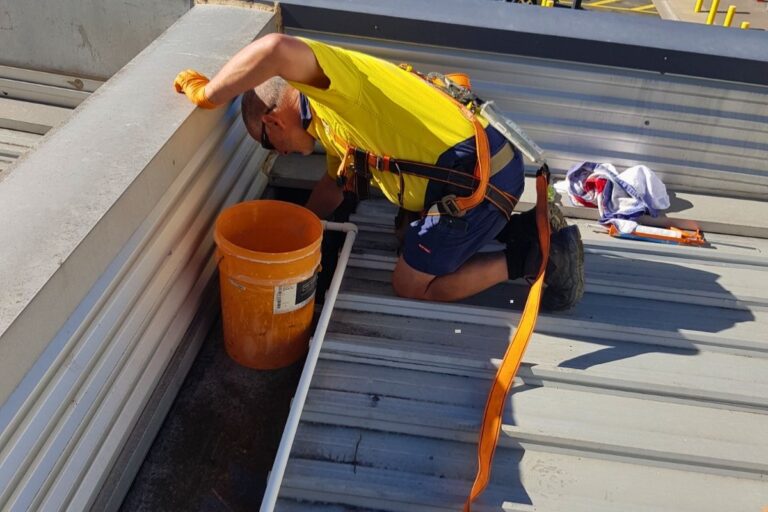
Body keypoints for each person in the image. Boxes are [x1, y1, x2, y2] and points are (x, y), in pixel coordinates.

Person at [174, 34, 584, 310]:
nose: (276, 151)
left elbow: (276, 48)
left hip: (476, 183)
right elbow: (333, 188)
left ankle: (533, 256)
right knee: (408, 238)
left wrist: (211, 95)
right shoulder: (329, 123)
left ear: (273, 122)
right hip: (486, 169)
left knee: (410, 285)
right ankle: (525, 227)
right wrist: (291, 239)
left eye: (265, 142)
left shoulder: (337, 89)